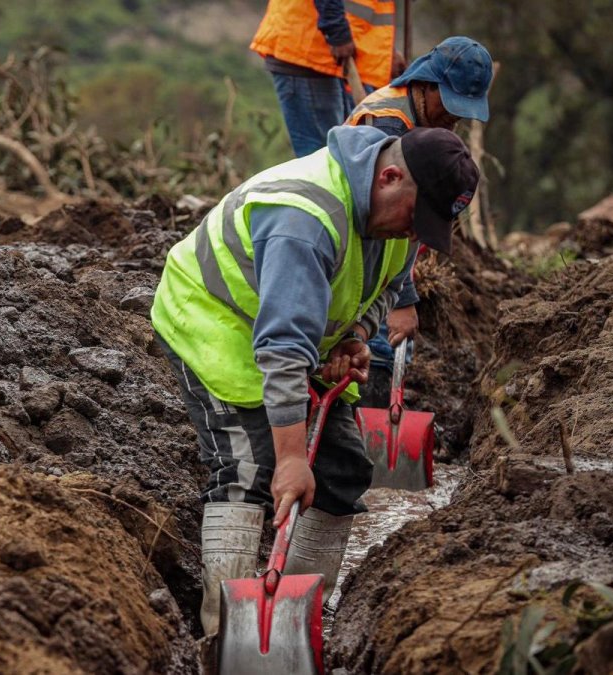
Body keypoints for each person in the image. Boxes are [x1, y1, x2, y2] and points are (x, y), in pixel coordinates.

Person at [150, 125, 480, 639]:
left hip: (290, 332)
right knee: (248, 470)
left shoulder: (396, 215)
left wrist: (355, 334)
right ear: (389, 177)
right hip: (218, 323)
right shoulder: (304, 220)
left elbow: (388, 287)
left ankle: (293, 626)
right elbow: (282, 351)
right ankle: (227, 639)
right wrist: (289, 460)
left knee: (343, 470)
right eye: (417, 220)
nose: (416, 236)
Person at [345, 36, 493, 405]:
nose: (455, 115)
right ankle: (362, 418)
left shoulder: (421, 117)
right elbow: (394, 225)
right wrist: (402, 299)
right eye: (451, 102)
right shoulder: (388, 125)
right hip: (359, 246)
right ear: (426, 83)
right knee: (375, 343)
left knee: (385, 341)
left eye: (466, 107)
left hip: (380, 250)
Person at [250, 0, 404, 159]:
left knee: (345, 157)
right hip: (310, 52)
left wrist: (386, 53)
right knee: (324, 160)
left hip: (335, 57)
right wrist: (337, 32)